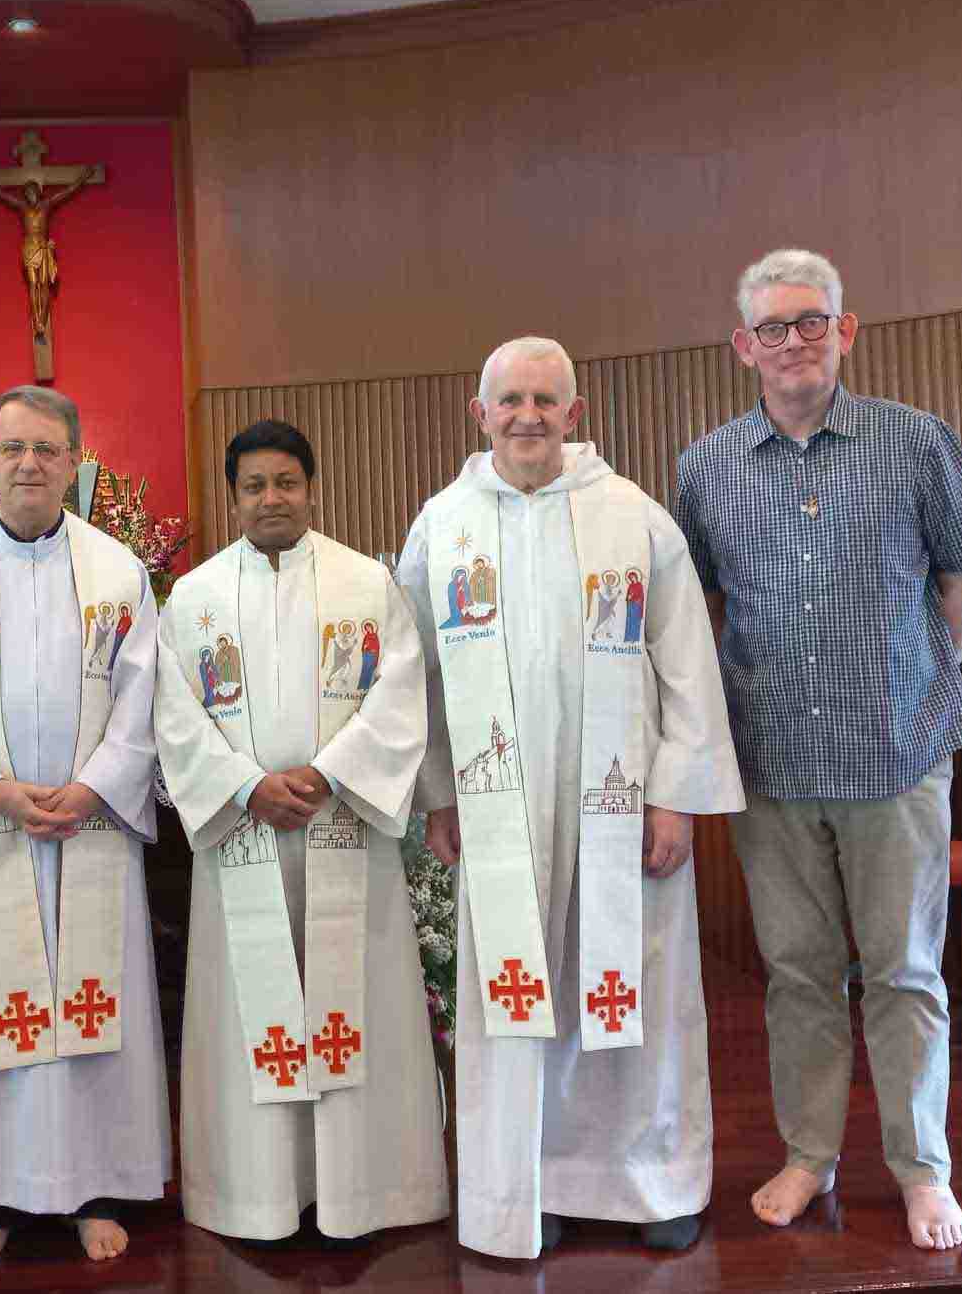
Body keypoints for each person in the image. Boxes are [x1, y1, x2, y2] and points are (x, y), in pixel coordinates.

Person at [674, 249, 962, 1252]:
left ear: (844, 329)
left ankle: (920, 1169)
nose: (793, 341)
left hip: (896, 756)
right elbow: (697, 611)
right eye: (772, 327)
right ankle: (807, 1153)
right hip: (771, 766)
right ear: (743, 347)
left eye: (810, 320)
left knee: (904, 972)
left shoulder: (915, 440)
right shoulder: (703, 467)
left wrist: (912, 682)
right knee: (798, 974)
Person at [401, 336, 742, 1260]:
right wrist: (437, 792)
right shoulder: (444, 525)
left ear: (574, 414)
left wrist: (674, 798)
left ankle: (652, 1179)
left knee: (633, 987)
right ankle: (530, 1183)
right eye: (509, 399)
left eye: (545, 399)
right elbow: (415, 672)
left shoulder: (633, 519)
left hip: (617, 807)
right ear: (479, 414)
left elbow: (685, 664)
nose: (527, 415)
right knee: (521, 993)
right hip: (498, 806)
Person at [0, 385, 169, 1266]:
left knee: (92, 1004)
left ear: (75, 460)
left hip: (90, 827)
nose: (30, 464)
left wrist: (94, 786)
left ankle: (94, 1187)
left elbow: (145, 697)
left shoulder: (118, 573)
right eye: (13, 448)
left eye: (48, 449)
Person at [155, 418, 448, 1243]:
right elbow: (171, 714)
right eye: (253, 485)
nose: (271, 498)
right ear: (233, 497)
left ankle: (365, 1192)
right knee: (252, 1014)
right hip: (242, 830)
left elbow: (401, 693)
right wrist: (245, 785)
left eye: (285, 481)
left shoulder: (365, 583)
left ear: (310, 489)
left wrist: (328, 773)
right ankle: (255, 1193)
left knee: (355, 1006)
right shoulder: (194, 598)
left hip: (341, 822)